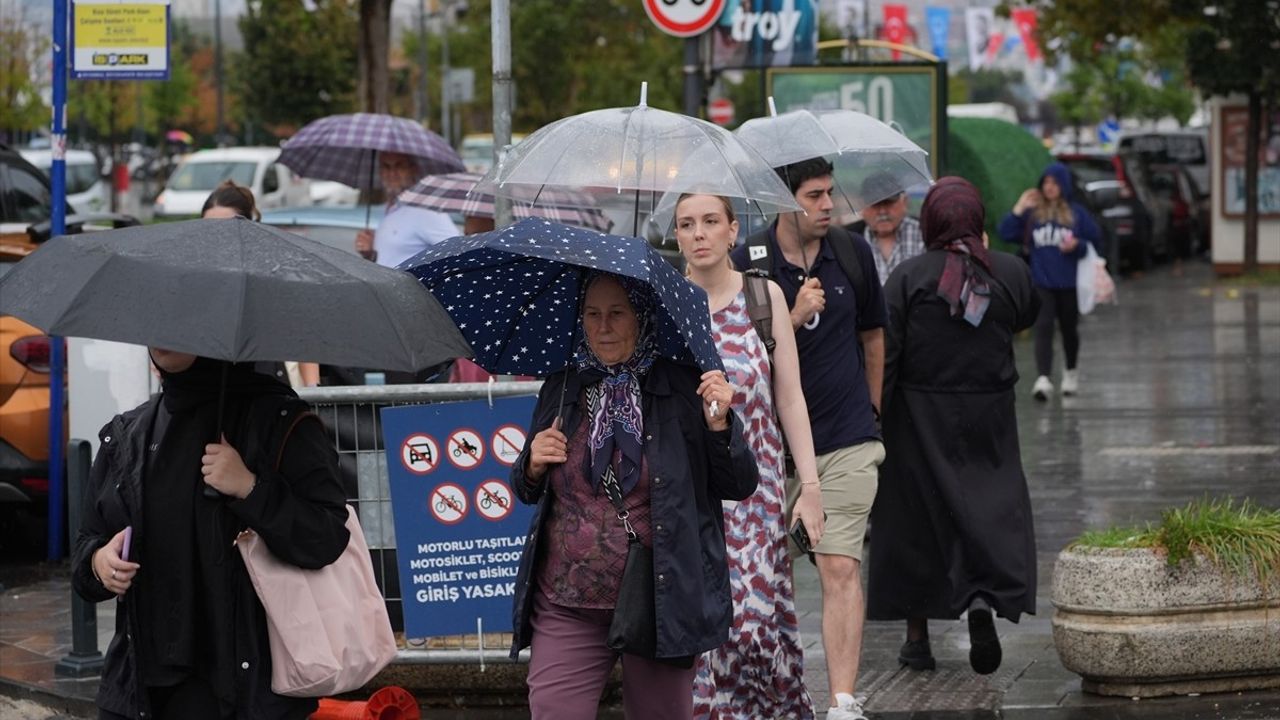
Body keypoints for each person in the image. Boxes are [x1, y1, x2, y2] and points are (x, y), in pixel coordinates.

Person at [509, 272, 760, 720]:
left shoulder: (684, 388)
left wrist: (721, 426)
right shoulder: (563, 387)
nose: (602, 326)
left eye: (616, 313)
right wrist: (531, 463)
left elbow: (738, 484)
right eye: (591, 314)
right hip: (568, 597)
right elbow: (527, 490)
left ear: (642, 318)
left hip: (658, 600)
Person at [72, 349, 351, 720]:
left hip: (242, 694)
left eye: (177, 319)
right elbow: (85, 552)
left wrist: (251, 488)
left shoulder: (278, 421)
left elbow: (326, 536)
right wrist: (98, 563)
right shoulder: (128, 434)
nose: (162, 335)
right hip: (138, 692)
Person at [730, 158, 887, 720]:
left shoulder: (851, 252)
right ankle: (767, 689)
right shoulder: (747, 260)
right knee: (764, 579)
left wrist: (870, 411)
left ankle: (842, 700)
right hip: (768, 451)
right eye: (814, 196)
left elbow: (873, 338)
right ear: (783, 201)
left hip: (846, 439)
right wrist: (790, 317)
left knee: (839, 564)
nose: (827, 205)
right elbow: (733, 354)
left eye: (829, 194)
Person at [868, 176, 1041, 676]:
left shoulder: (908, 275)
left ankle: (917, 639)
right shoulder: (1008, 271)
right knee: (989, 508)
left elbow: (889, 349)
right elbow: (1028, 311)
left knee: (916, 522)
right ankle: (982, 598)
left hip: (919, 417)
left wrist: (875, 415)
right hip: (990, 416)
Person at [674, 193, 825, 719]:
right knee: (709, 644)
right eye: (687, 224)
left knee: (756, 632)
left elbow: (790, 398)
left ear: (734, 231)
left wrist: (810, 487)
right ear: (677, 238)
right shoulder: (668, 308)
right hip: (693, 504)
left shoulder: (765, 298)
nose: (699, 233)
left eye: (711, 221)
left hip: (757, 500)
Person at [201, 180, 320, 389]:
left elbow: (303, 339)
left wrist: (314, 392)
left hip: (270, 392)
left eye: (227, 228)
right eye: (209, 229)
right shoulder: (193, 281)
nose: (218, 238)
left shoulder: (273, 276)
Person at [998, 162, 1101, 400]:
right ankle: (1043, 378)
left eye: (1054, 183)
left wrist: (1078, 245)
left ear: (1063, 185)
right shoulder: (1033, 215)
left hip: (1070, 284)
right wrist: (1019, 207)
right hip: (1041, 282)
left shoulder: (1076, 214)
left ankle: (1071, 372)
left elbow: (1095, 242)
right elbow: (1005, 232)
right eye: (1046, 183)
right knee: (1043, 327)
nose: (1050, 187)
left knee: (1069, 331)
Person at [354, 150, 459, 268]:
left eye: (399, 166)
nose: (392, 173)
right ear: (380, 172)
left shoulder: (425, 210)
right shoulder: (392, 208)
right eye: (386, 167)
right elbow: (392, 261)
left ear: (413, 170)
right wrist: (371, 254)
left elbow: (457, 255)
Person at [850, 173, 924, 286]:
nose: (882, 211)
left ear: (904, 201)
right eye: (875, 204)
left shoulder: (923, 233)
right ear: (862, 207)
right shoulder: (850, 241)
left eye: (889, 203)